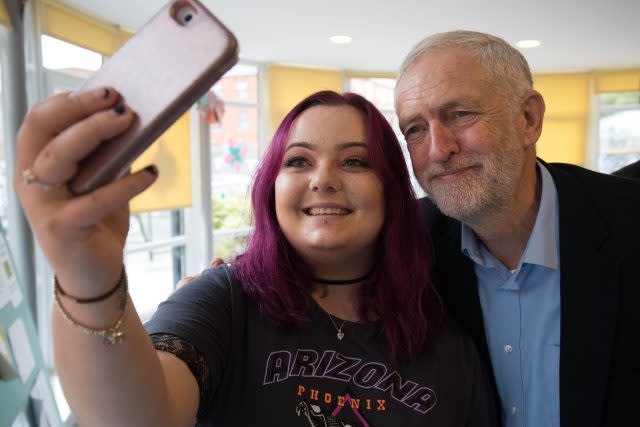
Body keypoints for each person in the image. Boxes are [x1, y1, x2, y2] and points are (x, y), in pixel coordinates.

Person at [15, 89, 496, 426]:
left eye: (354, 161)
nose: (322, 179)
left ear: (392, 190)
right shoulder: (223, 301)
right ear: (271, 189)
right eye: (298, 161)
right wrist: (88, 278)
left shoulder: (447, 342)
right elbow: (139, 417)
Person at [394, 30, 640, 427]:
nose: (438, 149)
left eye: (460, 114)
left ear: (529, 119)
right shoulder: (409, 246)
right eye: (415, 129)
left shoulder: (629, 225)